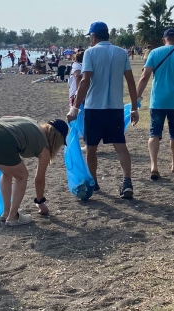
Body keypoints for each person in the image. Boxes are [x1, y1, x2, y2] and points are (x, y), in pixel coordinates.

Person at [67, 21, 139, 199]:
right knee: (120, 146)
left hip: (94, 108)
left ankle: (94, 182)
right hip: (115, 107)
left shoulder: (90, 53)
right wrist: (134, 107)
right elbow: (130, 81)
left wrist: (75, 107)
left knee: (91, 148)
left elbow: (85, 81)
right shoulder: (121, 52)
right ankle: (127, 181)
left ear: (93, 36)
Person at [0, 117, 68, 226]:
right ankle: (13, 216)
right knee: (22, 176)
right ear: (58, 138)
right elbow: (39, 179)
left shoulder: (32, 122)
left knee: (7, 172)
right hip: (1, 138)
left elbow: (5, 117)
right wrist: (40, 202)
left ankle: (6, 213)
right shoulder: (45, 149)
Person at [136, 28, 174, 180]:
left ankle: (154, 166)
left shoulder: (154, 53)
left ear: (164, 40)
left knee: (154, 132)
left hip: (157, 101)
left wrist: (137, 97)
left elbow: (144, 77)